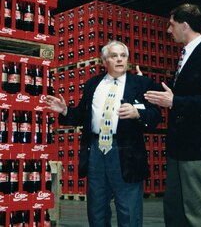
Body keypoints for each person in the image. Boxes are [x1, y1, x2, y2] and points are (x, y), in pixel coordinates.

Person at [44, 40, 161, 227]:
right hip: (96, 152)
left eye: (123, 56)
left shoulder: (142, 83)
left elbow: (156, 116)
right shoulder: (93, 84)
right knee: (96, 208)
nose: (120, 60)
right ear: (104, 61)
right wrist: (65, 111)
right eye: (114, 56)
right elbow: (83, 115)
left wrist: (138, 113)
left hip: (126, 153)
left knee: (129, 209)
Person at [143, 3, 201, 227]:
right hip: (177, 149)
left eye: (171, 25)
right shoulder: (185, 56)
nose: (168, 31)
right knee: (175, 210)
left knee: (197, 213)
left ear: (185, 25)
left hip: (196, 151)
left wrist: (175, 101)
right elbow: (184, 94)